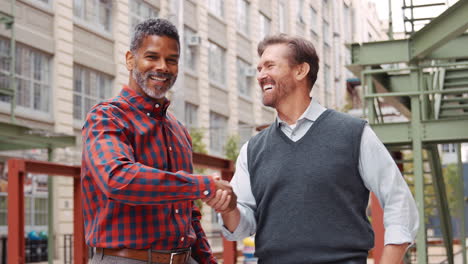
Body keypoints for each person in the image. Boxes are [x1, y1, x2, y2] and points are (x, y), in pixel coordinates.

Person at [205, 34, 419, 263]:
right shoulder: (252, 150)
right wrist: (228, 208)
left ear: (301, 71)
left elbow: (399, 202)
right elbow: (241, 229)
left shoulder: (354, 134)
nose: (260, 75)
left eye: (269, 66)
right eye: (258, 68)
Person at [81, 18, 234, 264]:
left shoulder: (179, 130)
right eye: (152, 57)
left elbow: (189, 213)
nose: (162, 67)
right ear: (130, 59)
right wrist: (203, 185)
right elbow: (118, 179)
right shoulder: (107, 116)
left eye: (171, 60)